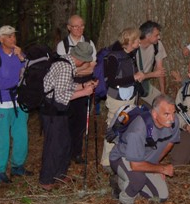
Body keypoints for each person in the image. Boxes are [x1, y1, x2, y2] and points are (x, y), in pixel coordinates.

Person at [109, 95, 180, 204]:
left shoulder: (174, 122)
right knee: (138, 180)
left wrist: (156, 163)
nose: (172, 118)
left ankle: (124, 180)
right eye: (166, 114)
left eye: (173, 113)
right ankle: (125, 199)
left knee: (161, 196)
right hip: (123, 158)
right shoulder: (138, 130)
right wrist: (161, 169)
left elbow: (170, 142)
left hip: (144, 160)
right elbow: (135, 165)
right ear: (154, 114)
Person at [39, 42, 96, 190]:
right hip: (53, 111)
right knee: (53, 145)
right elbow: (60, 96)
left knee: (64, 142)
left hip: (59, 111)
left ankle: (60, 174)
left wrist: (84, 86)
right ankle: (46, 180)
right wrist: (84, 93)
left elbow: (66, 86)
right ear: (81, 59)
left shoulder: (65, 62)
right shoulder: (65, 67)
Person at [0, 25, 32, 184]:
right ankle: (0, 170)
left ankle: (17, 166)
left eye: (14, 35)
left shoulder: (19, 54)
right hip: (1, 103)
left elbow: (29, 72)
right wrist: (18, 81)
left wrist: (22, 59)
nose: (13, 39)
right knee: (3, 137)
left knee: (21, 135)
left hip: (19, 101)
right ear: (1, 39)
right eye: (9, 36)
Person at [100, 27, 145, 169]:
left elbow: (131, 74)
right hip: (116, 98)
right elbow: (111, 81)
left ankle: (120, 155)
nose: (139, 41)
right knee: (113, 126)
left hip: (130, 97)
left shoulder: (131, 54)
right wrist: (133, 77)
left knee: (126, 126)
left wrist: (137, 77)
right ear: (130, 41)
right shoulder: (113, 57)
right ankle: (106, 161)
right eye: (137, 39)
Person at [56, 15, 97, 164]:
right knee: (66, 120)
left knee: (81, 121)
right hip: (68, 86)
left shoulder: (89, 43)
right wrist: (83, 67)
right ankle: (65, 152)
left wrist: (80, 69)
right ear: (68, 27)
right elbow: (65, 69)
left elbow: (92, 66)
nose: (79, 29)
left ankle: (77, 153)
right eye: (75, 26)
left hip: (86, 86)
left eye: (82, 26)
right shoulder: (63, 45)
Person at [136, 21, 167, 106]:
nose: (159, 37)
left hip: (144, 85)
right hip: (130, 85)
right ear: (147, 36)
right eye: (156, 35)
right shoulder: (133, 46)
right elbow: (133, 76)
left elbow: (160, 71)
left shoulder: (157, 45)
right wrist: (153, 74)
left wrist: (162, 92)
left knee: (163, 105)